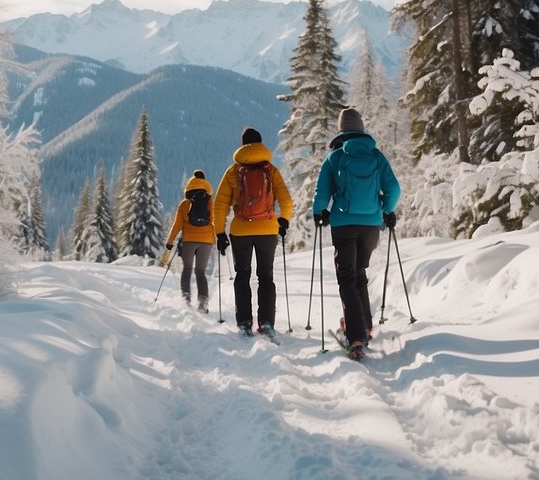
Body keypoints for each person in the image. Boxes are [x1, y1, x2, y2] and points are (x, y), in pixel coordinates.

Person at [312, 107, 401, 360]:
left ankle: (356, 337)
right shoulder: (376, 156)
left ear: (341, 131)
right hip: (371, 225)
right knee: (359, 273)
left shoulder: (335, 158)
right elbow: (394, 189)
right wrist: (386, 209)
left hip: (344, 225)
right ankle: (365, 325)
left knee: (347, 279)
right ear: (361, 130)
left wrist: (320, 213)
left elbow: (321, 194)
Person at [212, 127, 294, 336]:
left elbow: (220, 205)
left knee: (242, 275)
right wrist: (282, 221)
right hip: (268, 229)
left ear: (243, 145)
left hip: (241, 231)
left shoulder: (233, 172)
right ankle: (266, 322)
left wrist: (220, 233)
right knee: (266, 276)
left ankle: (244, 322)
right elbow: (286, 201)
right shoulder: (271, 170)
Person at [164, 170, 216, 312]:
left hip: (189, 241)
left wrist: (170, 241)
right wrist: (219, 239)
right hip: (206, 241)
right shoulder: (210, 202)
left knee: (187, 270)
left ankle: (185, 301)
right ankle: (203, 304)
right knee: (201, 272)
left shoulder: (185, 204)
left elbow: (177, 224)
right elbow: (214, 222)